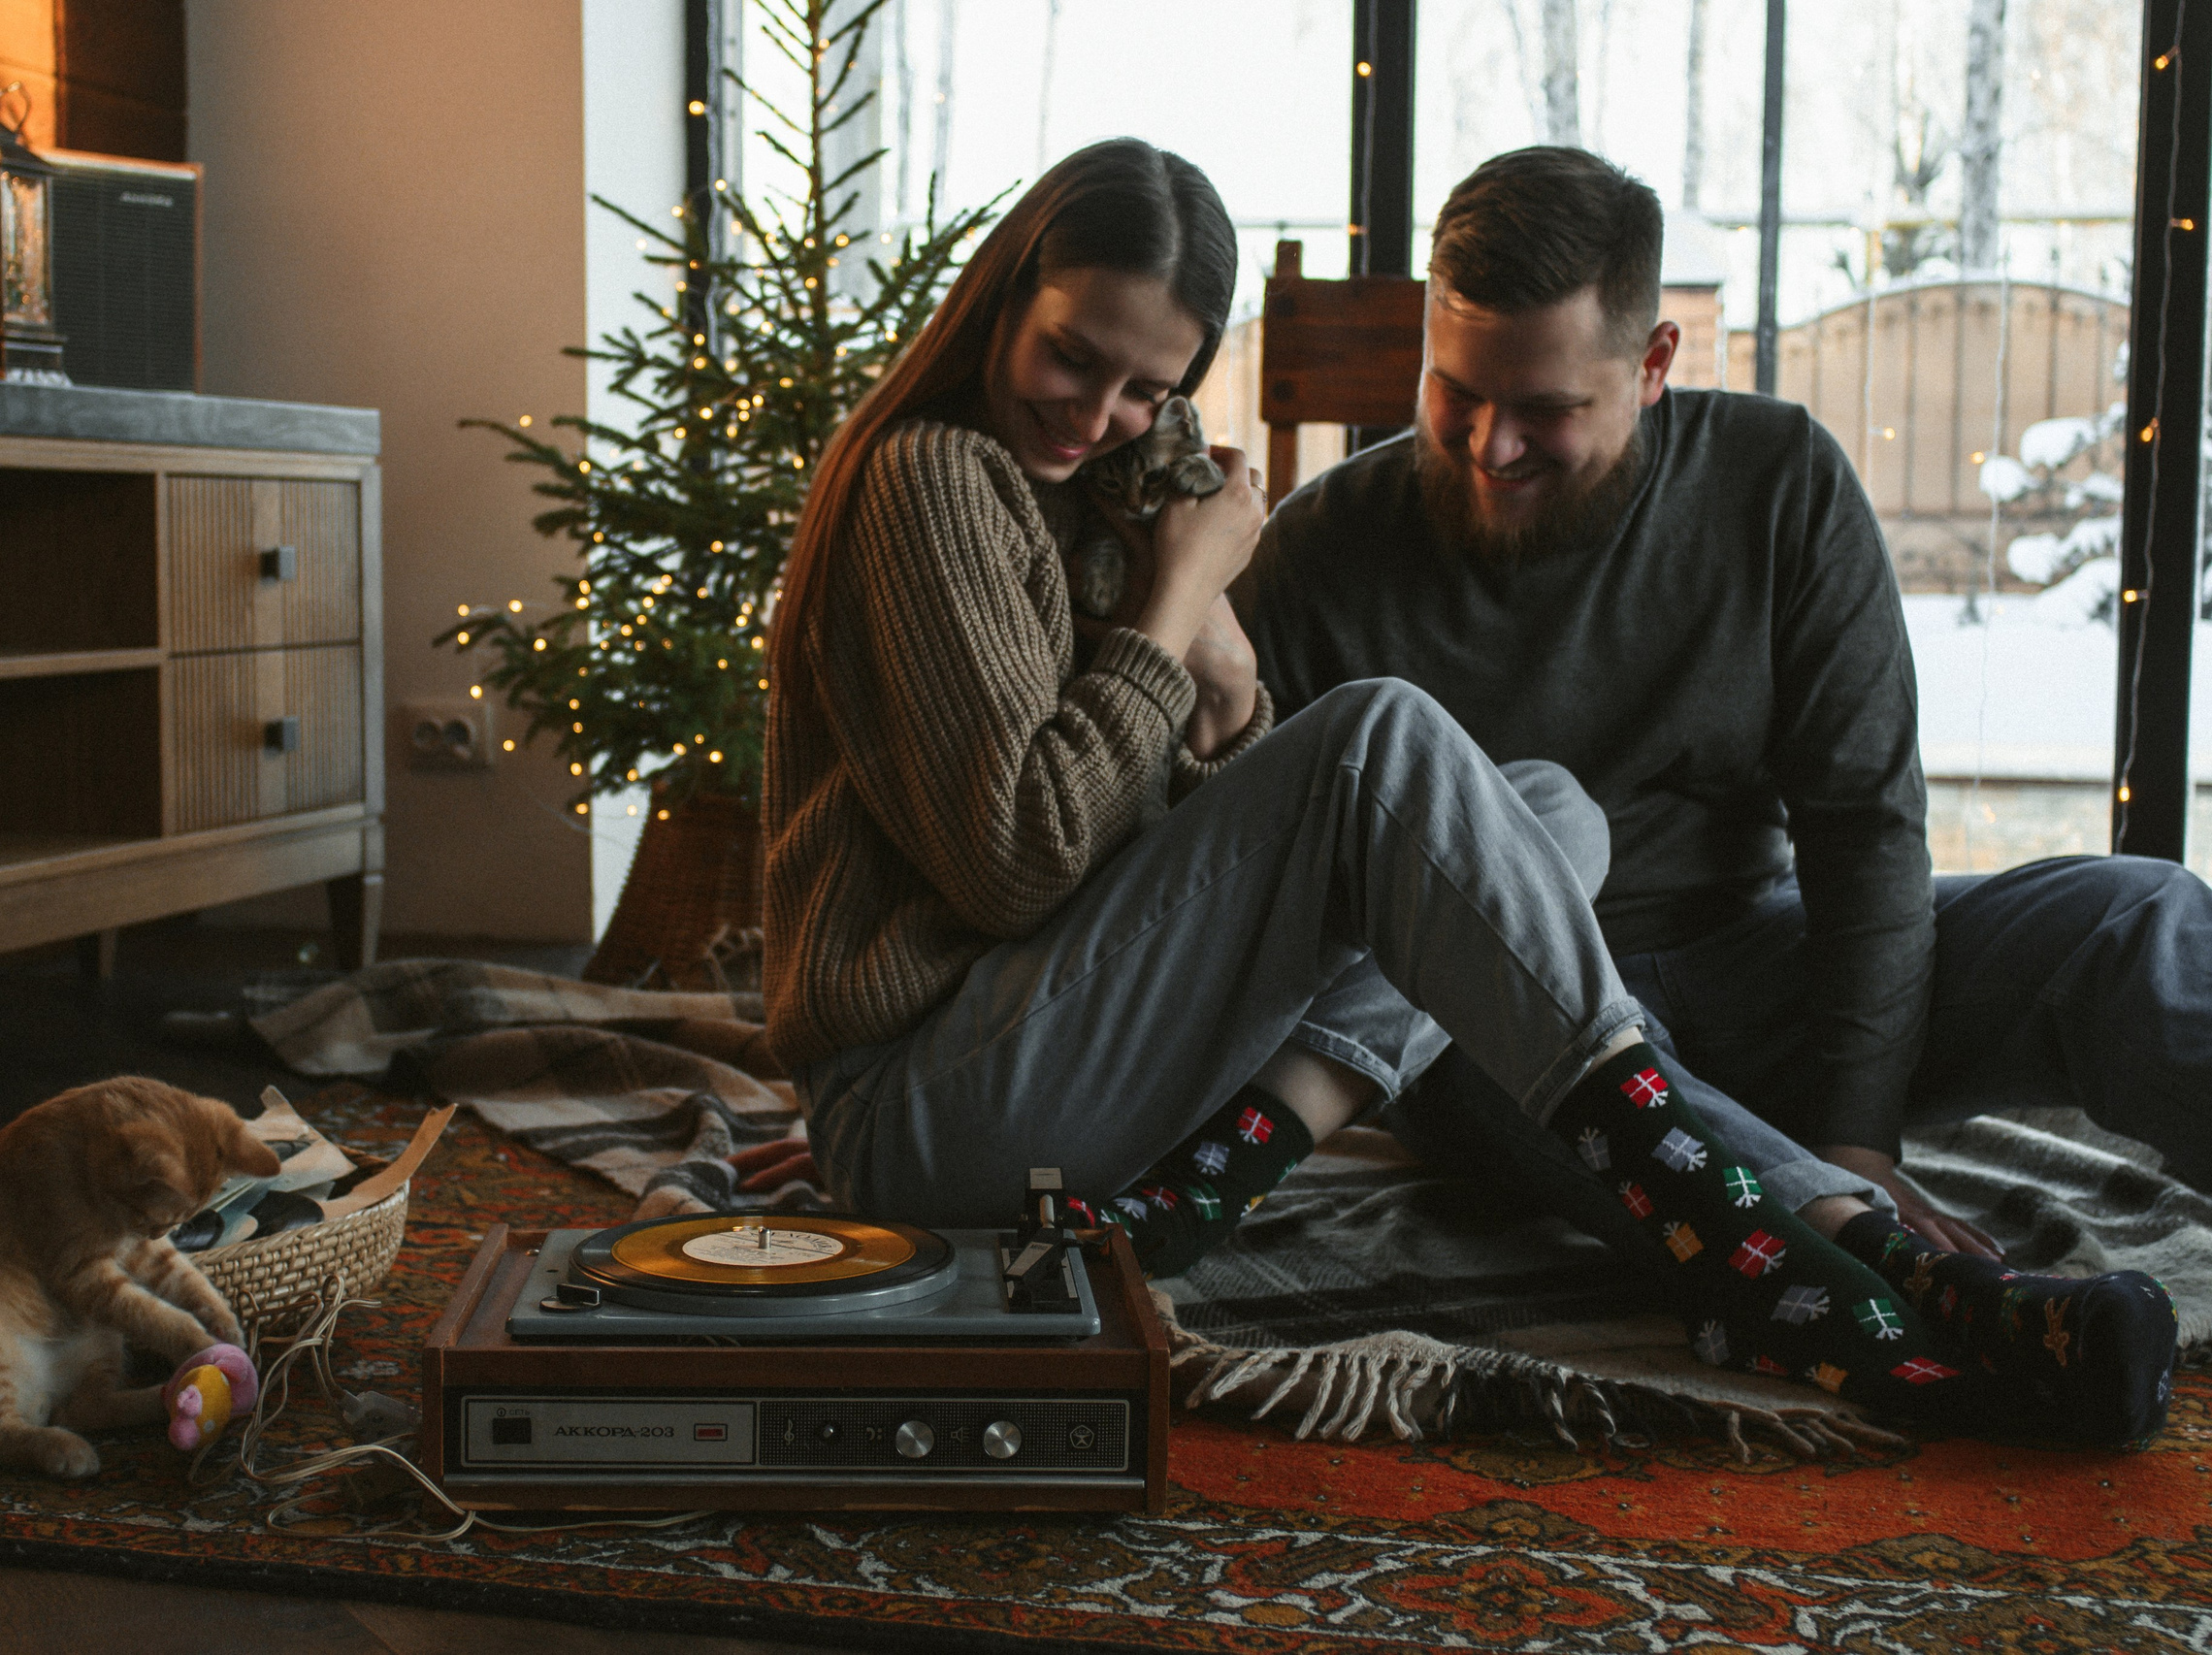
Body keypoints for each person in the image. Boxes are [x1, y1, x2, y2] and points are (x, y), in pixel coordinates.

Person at [762, 137, 2172, 1444]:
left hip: (1706, 963)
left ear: (1653, 362)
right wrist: (1186, 594)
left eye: (1149, 388)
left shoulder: (1772, 478)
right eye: (1075, 358)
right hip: (1241, 1063)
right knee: (1388, 745)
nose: (1105, 412)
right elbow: (1054, 870)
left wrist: (1223, 671)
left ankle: (1198, 1197)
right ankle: (1815, 1259)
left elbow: (1208, 867)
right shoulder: (961, 481)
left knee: (1554, 808)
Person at [1234, 144, 2183, 1442]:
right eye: (1453, 391)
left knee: (2135, 914)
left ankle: (1824, 1204)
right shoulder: (1318, 555)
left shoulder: (1781, 483)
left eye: (1546, 409)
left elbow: (1865, 834)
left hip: (1755, 957)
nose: (1487, 444)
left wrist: (1859, 1130)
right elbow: (1248, 893)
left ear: (1655, 362)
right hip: (1509, 1036)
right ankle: (1917, 1302)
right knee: (1476, 1045)